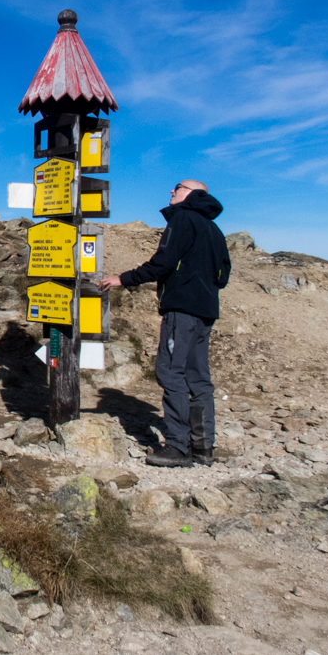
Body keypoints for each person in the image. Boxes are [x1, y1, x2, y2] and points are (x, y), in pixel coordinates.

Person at [99, 180, 231, 468]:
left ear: (194, 194)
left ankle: (177, 447)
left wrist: (123, 278)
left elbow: (163, 261)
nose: (171, 191)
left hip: (181, 311)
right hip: (206, 312)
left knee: (171, 372)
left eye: (177, 187)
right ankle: (203, 447)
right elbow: (223, 275)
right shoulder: (214, 229)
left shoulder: (184, 217)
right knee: (198, 378)